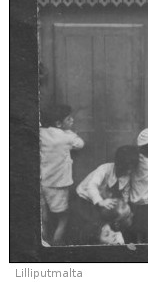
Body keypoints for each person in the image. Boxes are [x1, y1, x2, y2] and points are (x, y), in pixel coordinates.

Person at [40, 104, 85, 245]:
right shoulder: (66, 137)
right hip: (59, 184)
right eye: (68, 119)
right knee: (63, 215)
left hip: (43, 181)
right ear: (59, 124)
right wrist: (71, 133)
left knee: (43, 215)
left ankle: (43, 238)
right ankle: (56, 242)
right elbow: (80, 144)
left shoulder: (41, 133)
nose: (72, 120)